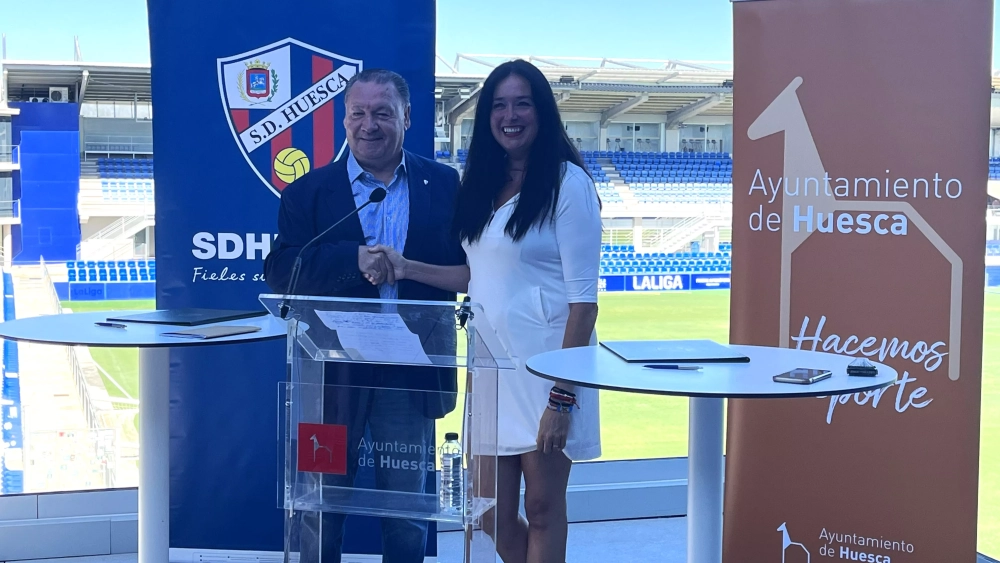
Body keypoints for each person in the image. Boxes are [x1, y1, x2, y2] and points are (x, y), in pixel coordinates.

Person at [367, 59, 602, 563]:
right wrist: (406, 267)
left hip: (548, 372)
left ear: (542, 112)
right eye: (499, 105)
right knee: (486, 511)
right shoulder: (480, 184)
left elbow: (584, 306)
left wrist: (562, 399)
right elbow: (475, 277)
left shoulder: (569, 185)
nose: (509, 116)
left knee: (542, 509)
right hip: (491, 371)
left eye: (522, 104)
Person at [263, 68, 466, 563]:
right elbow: (281, 270)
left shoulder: (444, 184)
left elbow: (470, 267)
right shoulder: (308, 193)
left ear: (407, 117)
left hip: (410, 372)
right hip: (331, 375)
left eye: (382, 113)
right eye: (358, 113)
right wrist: (351, 259)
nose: (368, 124)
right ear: (344, 119)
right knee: (319, 506)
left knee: (406, 510)